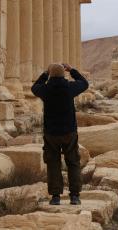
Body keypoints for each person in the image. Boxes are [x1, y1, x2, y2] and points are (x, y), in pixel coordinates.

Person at [31, 63, 89, 205]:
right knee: (73, 162)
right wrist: (72, 70)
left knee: (53, 164)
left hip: (51, 133)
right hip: (69, 131)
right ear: (64, 74)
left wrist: (45, 73)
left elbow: (34, 87)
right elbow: (84, 83)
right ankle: (75, 196)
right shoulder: (69, 88)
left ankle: (56, 196)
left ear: (50, 75)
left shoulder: (45, 89)